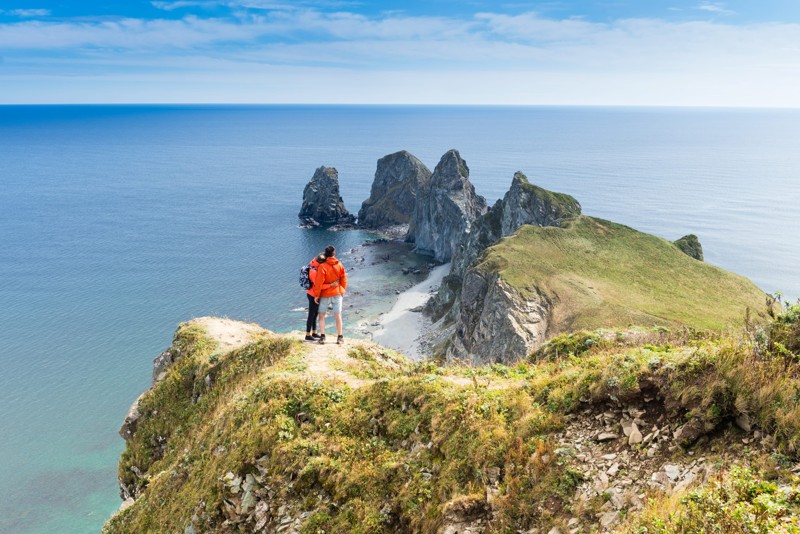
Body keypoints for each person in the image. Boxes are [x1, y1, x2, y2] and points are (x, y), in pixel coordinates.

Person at [312, 245, 347, 344]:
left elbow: (319, 283)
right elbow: (344, 279)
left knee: (322, 315)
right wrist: (343, 290)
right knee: (338, 315)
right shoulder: (339, 264)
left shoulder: (322, 266)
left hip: (325, 295)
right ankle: (340, 337)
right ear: (334, 254)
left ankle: (322, 336)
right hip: (337, 293)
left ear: (326, 255)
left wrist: (317, 295)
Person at [304, 253, 338, 341]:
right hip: (313, 294)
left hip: (314, 293)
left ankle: (314, 333)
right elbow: (318, 286)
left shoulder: (314, 263)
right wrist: (330, 285)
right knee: (311, 315)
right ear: (321, 263)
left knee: (315, 314)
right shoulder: (314, 272)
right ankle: (308, 335)